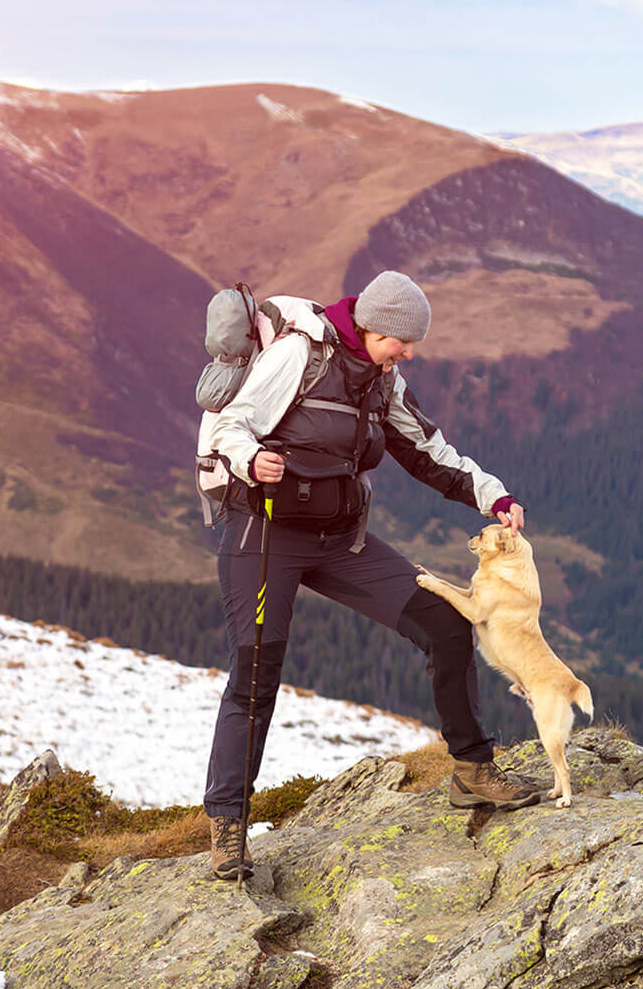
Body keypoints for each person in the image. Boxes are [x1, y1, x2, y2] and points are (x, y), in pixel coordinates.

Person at [203, 269, 539, 880]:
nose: (408, 353)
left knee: (443, 620)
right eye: (401, 341)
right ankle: (229, 827)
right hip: (266, 535)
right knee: (256, 676)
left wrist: (493, 498)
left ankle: (471, 769)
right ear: (371, 326)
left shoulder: (382, 380)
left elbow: (430, 451)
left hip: (341, 540)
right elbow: (229, 424)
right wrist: (253, 459)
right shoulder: (300, 355)